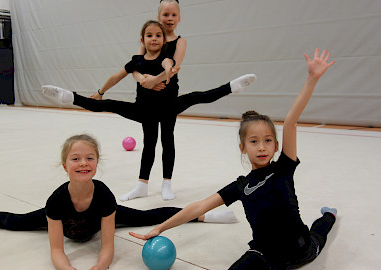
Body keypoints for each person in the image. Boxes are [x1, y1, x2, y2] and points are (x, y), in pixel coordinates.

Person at [129, 49, 338, 269]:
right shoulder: (241, 186)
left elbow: (290, 122)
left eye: (268, 141)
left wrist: (311, 79)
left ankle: (330, 216)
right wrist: (160, 228)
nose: (261, 147)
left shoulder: (283, 168)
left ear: (277, 146)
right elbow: (199, 207)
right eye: (254, 142)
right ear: (243, 147)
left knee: (321, 230)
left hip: (301, 249)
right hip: (265, 253)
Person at [0, 134, 238, 270]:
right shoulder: (56, 200)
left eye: (89, 158)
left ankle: (205, 216)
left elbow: (107, 245)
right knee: (12, 221)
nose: (83, 163)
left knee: (149, 216)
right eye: (75, 158)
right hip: (63, 223)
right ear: (64, 165)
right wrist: (66, 268)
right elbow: (56, 248)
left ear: (97, 163)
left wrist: (101, 266)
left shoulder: (104, 194)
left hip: (98, 219)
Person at [42, 20, 256, 202]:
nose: (154, 39)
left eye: (158, 36)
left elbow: (169, 70)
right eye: (149, 35)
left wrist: (154, 80)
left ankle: (232, 87)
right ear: (142, 40)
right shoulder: (137, 61)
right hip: (144, 110)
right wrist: (100, 91)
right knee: (113, 110)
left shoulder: (166, 56)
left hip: (168, 107)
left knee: (194, 102)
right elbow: (117, 76)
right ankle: (68, 96)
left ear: (164, 40)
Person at [132, 0, 186, 92]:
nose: (170, 18)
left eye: (174, 15)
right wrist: (145, 81)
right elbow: (134, 68)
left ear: (179, 18)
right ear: (158, 18)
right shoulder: (147, 40)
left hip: (167, 93)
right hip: (145, 93)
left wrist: (154, 80)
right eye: (166, 15)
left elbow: (173, 69)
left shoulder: (180, 42)